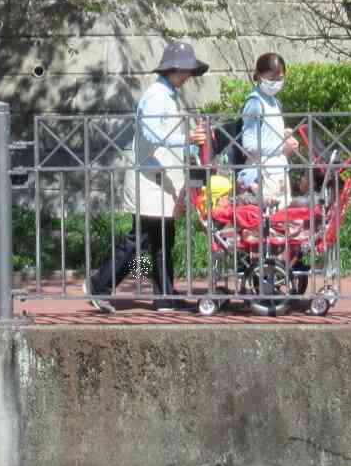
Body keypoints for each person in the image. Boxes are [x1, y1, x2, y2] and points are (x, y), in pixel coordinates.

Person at [89, 42, 211, 312]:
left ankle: (164, 295)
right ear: (176, 69)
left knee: (160, 241)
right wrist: (187, 138)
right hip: (150, 180)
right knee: (140, 240)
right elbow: (152, 132)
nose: (189, 76)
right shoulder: (157, 95)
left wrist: (188, 145)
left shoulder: (165, 93)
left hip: (157, 179)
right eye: (187, 71)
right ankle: (100, 283)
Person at [237, 52, 301, 207]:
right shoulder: (255, 103)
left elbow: (267, 133)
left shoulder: (274, 101)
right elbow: (249, 145)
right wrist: (281, 147)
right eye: (271, 78)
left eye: (280, 79)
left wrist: (284, 134)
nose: (276, 83)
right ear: (259, 76)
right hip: (263, 174)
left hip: (278, 171)